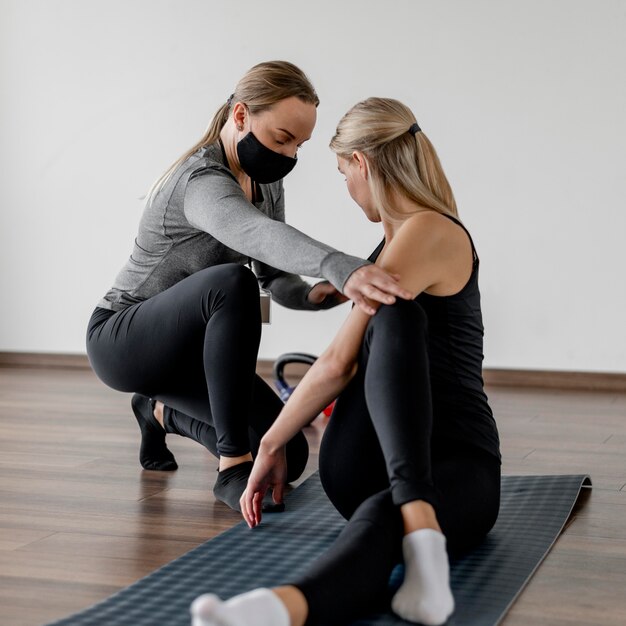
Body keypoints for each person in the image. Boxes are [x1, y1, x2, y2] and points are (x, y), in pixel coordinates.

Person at [190, 97, 501, 626]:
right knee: (394, 317)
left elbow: (337, 362)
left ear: (362, 163)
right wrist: (269, 444)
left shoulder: (430, 229)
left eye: (342, 174)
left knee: (383, 515)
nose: (349, 190)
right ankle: (420, 529)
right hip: (376, 466)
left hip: (454, 465)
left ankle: (269, 612)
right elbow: (345, 364)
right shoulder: (386, 249)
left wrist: (266, 446)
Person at [86, 61, 411, 513]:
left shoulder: (265, 184)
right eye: (282, 138)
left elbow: (272, 274)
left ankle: (157, 412)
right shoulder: (198, 181)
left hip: (192, 356)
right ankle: (231, 467)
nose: (290, 155)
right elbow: (254, 236)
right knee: (230, 283)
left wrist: (313, 295)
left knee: (288, 454)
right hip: (125, 340)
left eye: (299, 145)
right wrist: (343, 267)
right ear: (240, 116)